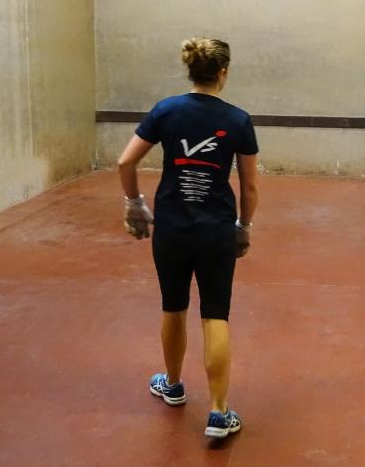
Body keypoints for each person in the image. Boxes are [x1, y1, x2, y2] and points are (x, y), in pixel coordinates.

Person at [117, 37, 259, 438]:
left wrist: (134, 203)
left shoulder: (166, 110)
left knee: (173, 306)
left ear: (191, 70)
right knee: (215, 314)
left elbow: (126, 161)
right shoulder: (238, 120)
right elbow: (249, 187)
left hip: (172, 230)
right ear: (223, 73)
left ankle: (174, 385)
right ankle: (218, 413)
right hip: (216, 232)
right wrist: (244, 228)